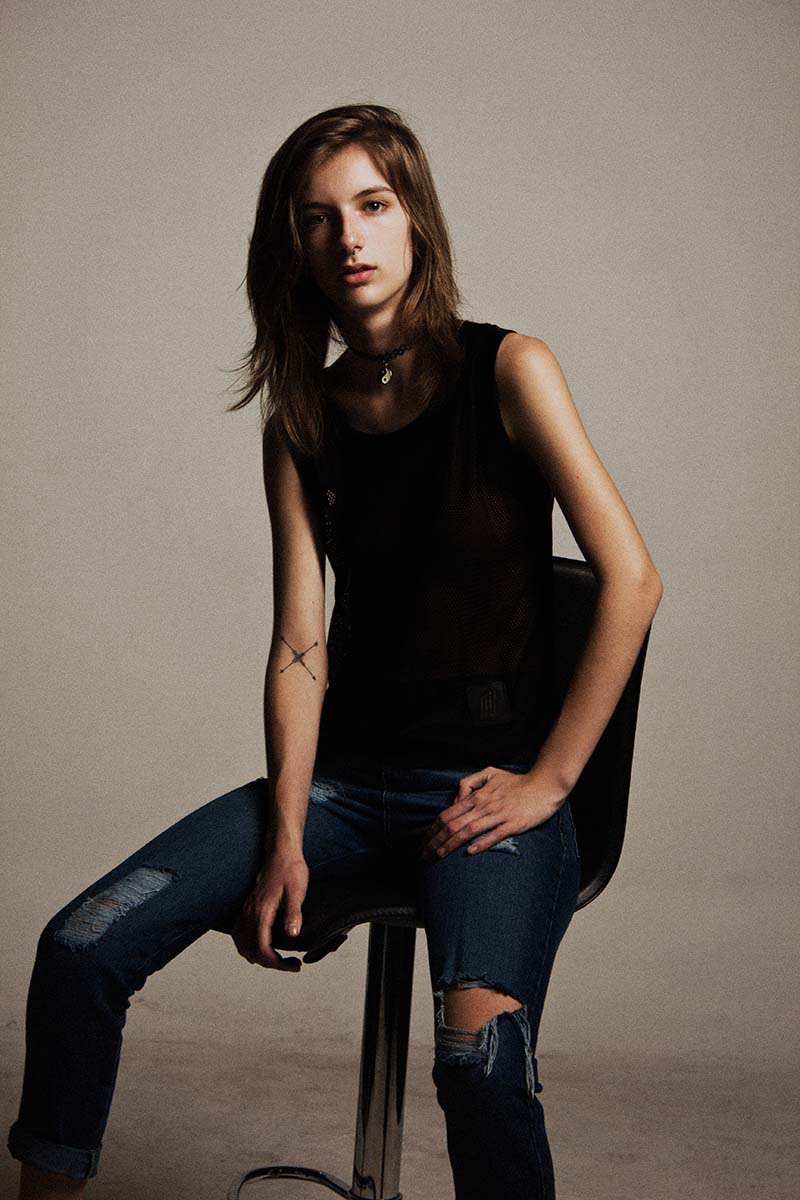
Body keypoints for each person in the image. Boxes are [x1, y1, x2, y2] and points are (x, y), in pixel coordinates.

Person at [8, 102, 663, 1199]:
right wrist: (284, 833)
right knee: (80, 946)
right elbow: (300, 642)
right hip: (343, 788)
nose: (348, 237)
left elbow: (631, 580)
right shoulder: (301, 417)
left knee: (481, 1063)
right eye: (317, 219)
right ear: (293, 249)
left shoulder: (511, 369)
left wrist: (551, 780)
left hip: (484, 791)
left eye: (372, 205)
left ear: (415, 221)